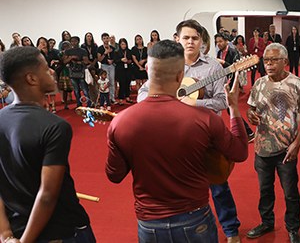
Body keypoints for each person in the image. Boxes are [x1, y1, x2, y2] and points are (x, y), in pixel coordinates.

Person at [107, 40, 248, 243]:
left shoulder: (120, 122)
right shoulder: (204, 118)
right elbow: (240, 152)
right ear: (181, 76)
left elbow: (114, 175)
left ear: (147, 70)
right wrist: (233, 108)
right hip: (195, 217)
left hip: (149, 222)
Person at [138, 19, 244, 243]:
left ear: (202, 41)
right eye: (185, 38)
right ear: (177, 39)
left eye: (195, 38)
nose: (190, 42)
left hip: (207, 134)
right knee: (179, 183)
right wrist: (166, 103)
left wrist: (193, 104)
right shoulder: (166, 64)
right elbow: (143, 93)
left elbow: (221, 102)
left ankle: (231, 229)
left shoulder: (214, 67)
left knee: (218, 183)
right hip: (173, 136)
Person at [0, 46, 95, 243]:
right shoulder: (55, 126)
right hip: (60, 230)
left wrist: (6, 234)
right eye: (45, 68)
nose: (52, 71)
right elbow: (47, 195)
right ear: (31, 78)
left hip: (18, 228)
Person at [246, 43, 300, 243]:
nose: (269, 64)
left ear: (285, 61)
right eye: (266, 60)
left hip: (286, 150)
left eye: (274, 60)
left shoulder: (296, 83)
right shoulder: (259, 84)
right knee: (264, 190)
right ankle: (266, 223)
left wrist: (297, 143)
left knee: (290, 193)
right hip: (262, 148)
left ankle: (293, 228)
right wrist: (251, 115)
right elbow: (250, 108)